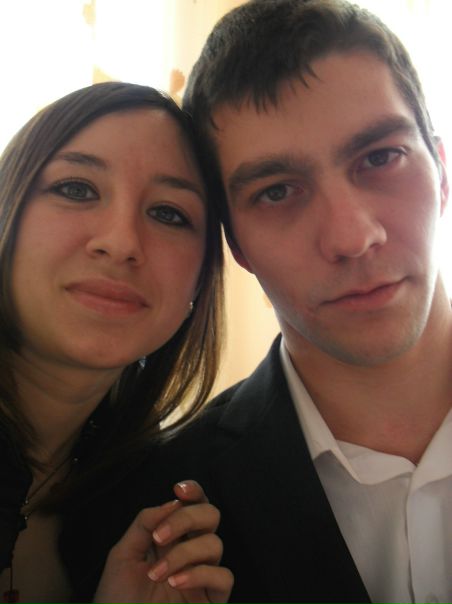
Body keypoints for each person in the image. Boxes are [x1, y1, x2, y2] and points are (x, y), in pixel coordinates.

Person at [147, 0, 451, 602]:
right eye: (278, 191)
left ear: (442, 171)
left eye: (380, 158)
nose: (352, 237)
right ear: (236, 244)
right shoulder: (157, 515)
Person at [0, 81, 232, 603]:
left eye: (169, 213)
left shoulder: (146, 508)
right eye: (77, 189)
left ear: (200, 282)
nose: (122, 242)